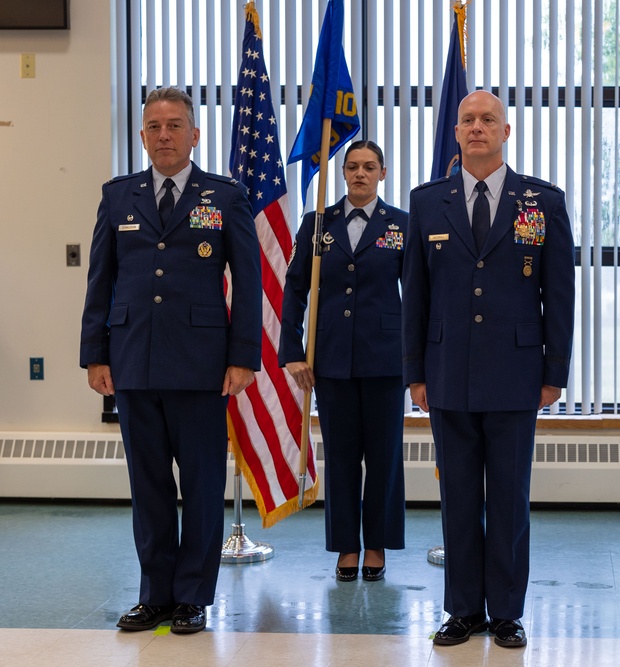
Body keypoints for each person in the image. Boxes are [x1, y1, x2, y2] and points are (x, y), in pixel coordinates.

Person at [80, 86, 262, 634]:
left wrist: (242, 357)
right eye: (154, 127)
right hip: (133, 360)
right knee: (149, 485)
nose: (164, 135)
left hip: (202, 364)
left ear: (194, 134)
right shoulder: (118, 197)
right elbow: (100, 280)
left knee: (203, 485)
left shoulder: (224, 196)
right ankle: (154, 593)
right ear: (142, 135)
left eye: (175, 125)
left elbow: (249, 284)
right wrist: (94, 354)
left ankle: (191, 597)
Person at [402, 90, 575, 649]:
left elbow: (560, 294)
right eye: (468, 120)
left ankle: (505, 612)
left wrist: (555, 370)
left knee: (507, 498)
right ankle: (462, 611)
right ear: (456, 133)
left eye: (488, 120)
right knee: (456, 497)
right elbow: (416, 297)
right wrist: (415, 373)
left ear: (506, 131)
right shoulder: (427, 203)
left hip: (517, 372)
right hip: (447, 369)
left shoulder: (541, 202)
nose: (477, 127)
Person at [279, 140, 406, 583]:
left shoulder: (402, 225)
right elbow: (294, 290)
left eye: (369, 167)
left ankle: (377, 545)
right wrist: (291, 352)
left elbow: (423, 297)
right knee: (342, 457)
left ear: (382, 174)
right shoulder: (318, 224)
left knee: (384, 459)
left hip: (387, 362)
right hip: (330, 360)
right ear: (343, 173)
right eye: (352, 166)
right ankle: (347, 547)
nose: (359, 174)